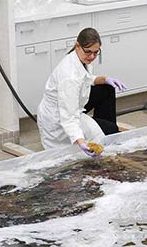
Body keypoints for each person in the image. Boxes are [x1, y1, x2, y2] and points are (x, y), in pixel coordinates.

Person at [37, 27, 127, 156]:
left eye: (96, 52)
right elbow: (69, 117)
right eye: (88, 52)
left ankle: (104, 133)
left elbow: (85, 78)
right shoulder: (69, 77)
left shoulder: (80, 58)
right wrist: (80, 141)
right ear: (77, 46)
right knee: (111, 129)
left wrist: (105, 79)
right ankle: (105, 133)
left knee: (106, 89)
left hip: (72, 103)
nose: (92, 56)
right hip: (57, 119)